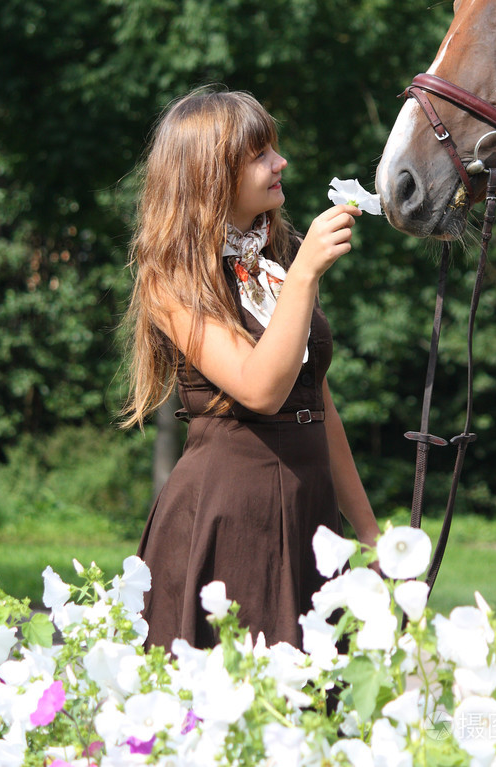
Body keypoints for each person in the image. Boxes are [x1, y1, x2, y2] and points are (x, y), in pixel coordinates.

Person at [122, 86, 378, 652]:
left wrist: (371, 535)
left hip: (309, 509)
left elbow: (318, 404)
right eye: (259, 153)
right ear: (210, 173)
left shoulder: (276, 258)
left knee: (315, 712)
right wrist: (307, 273)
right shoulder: (169, 279)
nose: (280, 162)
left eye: (274, 148)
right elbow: (261, 389)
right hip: (229, 516)